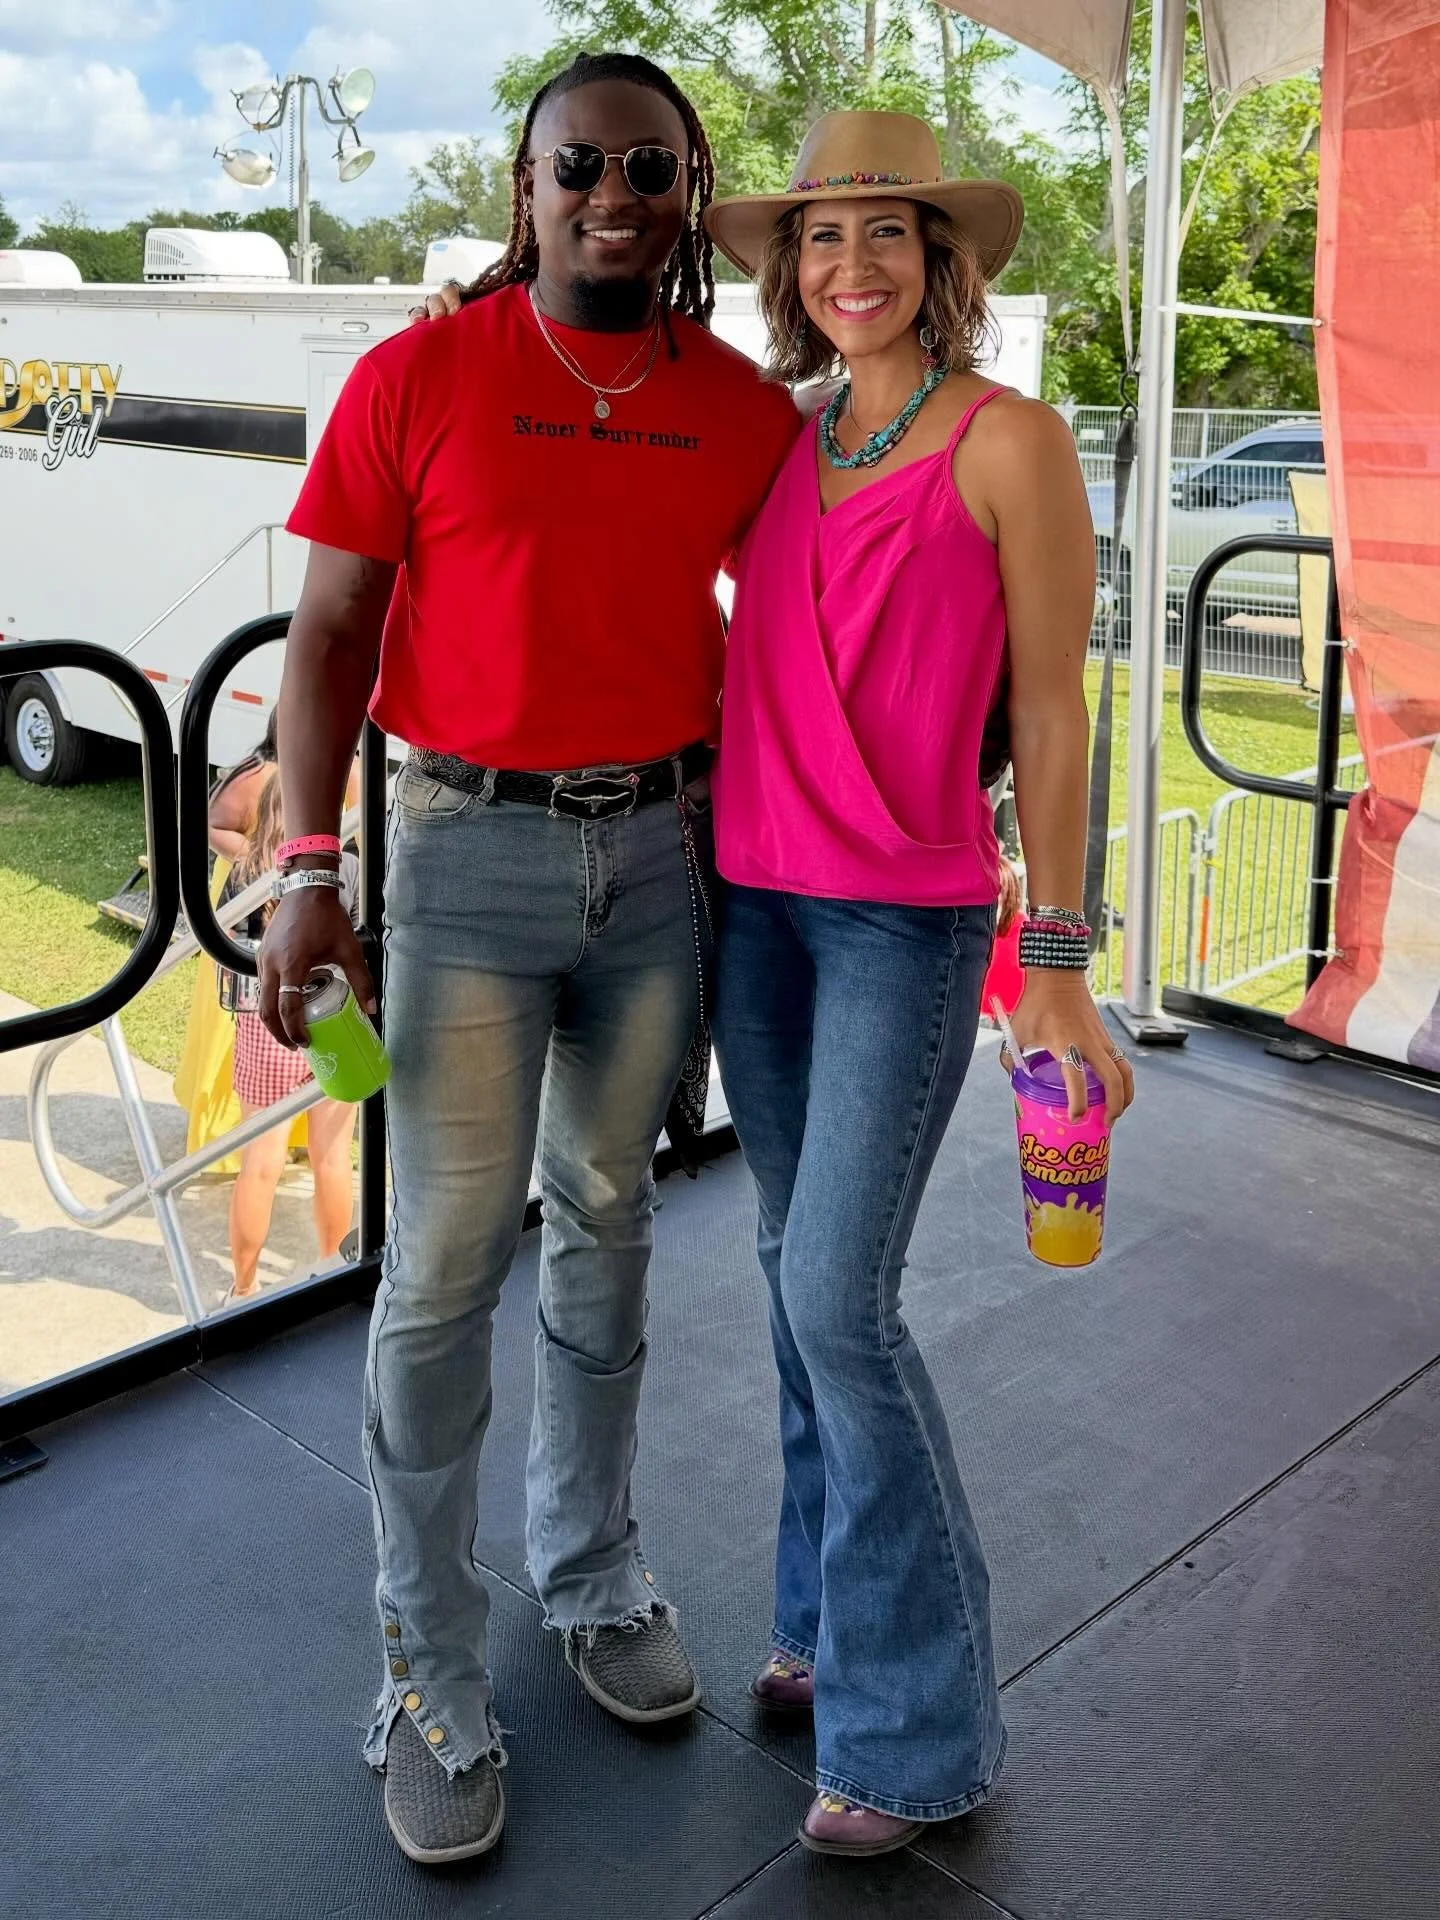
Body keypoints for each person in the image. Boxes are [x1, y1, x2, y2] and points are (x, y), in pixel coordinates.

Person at [257, 53, 799, 1865]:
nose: (615, 193)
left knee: (614, 1222)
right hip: (466, 858)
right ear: (526, 184)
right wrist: (308, 865)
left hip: (663, 855)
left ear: (689, 191)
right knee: (442, 1269)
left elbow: (828, 621)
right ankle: (425, 1660)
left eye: (652, 165)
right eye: (582, 163)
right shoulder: (417, 375)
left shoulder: (742, 413)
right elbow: (330, 632)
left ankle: (592, 1571)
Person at [699, 112, 1135, 1857]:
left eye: (885, 233)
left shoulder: (1010, 441)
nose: (851, 265)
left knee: (841, 1305)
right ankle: (819, 1625)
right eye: (820, 240)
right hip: (755, 907)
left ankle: (915, 1732)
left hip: (905, 919)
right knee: (791, 1280)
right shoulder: (789, 440)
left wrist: (1060, 966)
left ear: (941, 261)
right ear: (794, 276)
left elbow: (1050, 714)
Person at [222, 769, 358, 1299]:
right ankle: (333, 1266)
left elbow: (229, 942)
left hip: (268, 1021)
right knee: (332, 1156)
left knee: (260, 1165)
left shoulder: (247, 873)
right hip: (336, 1015)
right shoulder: (345, 866)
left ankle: (243, 1288)